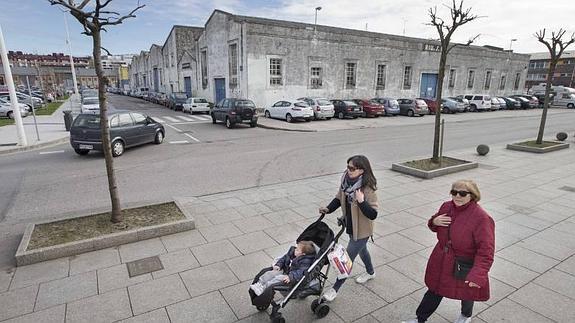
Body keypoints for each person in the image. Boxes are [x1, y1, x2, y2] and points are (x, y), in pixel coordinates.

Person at [403, 180, 495, 323]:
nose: (457, 196)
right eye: (454, 192)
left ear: (473, 195)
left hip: (463, 263)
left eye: (462, 193)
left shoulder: (482, 218)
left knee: (467, 292)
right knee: (435, 289)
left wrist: (478, 274)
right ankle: (420, 318)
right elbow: (435, 226)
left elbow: (486, 251)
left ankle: (465, 316)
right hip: (441, 259)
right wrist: (434, 222)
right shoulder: (446, 206)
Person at [319, 155, 379, 302]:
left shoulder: (368, 188)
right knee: (362, 250)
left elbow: (373, 214)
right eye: (347, 166)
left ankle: (334, 290)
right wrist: (328, 209)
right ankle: (371, 272)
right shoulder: (346, 181)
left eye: (352, 168)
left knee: (347, 260)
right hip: (351, 226)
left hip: (363, 230)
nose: (348, 170)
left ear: (361, 170)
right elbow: (339, 198)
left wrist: (361, 201)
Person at [250, 240, 316, 296]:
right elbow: (284, 258)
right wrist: (278, 265)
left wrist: (290, 277)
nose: (295, 249)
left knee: (277, 279)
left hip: (290, 277)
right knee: (270, 273)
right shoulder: (293, 253)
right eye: (296, 248)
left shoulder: (305, 262)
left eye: (297, 250)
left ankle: (263, 288)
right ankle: (259, 284)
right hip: (285, 269)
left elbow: (300, 272)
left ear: (303, 254)